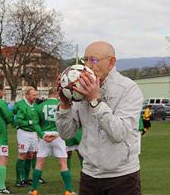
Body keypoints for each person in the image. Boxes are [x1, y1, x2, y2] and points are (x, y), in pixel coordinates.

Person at [56, 41, 143, 195]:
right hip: (89, 174)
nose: (88, 65)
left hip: (122, 176)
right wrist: (64, 105)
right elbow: (66, 134)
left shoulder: (129, 89)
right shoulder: (80, 89)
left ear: (111, 62)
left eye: (94, 60)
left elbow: (119, 133)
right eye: (86, 59)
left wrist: (95, 100)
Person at [28, 88, 76, 195]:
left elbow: (35, 123)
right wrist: (57, 134)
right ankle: (68, 190)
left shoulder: (39, 106)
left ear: (48, 95)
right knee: (63, 163)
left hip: (44, 136)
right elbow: (67, 122)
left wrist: (42, 135)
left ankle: (34, 190)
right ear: (58, 95)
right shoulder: (62, 105)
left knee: (39, 163)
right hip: (58, 136)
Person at [12, 86, 43, 187]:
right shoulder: (21, 105)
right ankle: (18, 180)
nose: (35, 97)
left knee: (31, 155)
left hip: (33, 133)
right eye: (33, 95)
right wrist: (29, 122)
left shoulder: (34, 105)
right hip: (24, 133)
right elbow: (17, 120)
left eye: (36, 95)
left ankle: (26, 178)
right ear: (27, 95)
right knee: (22, 155)